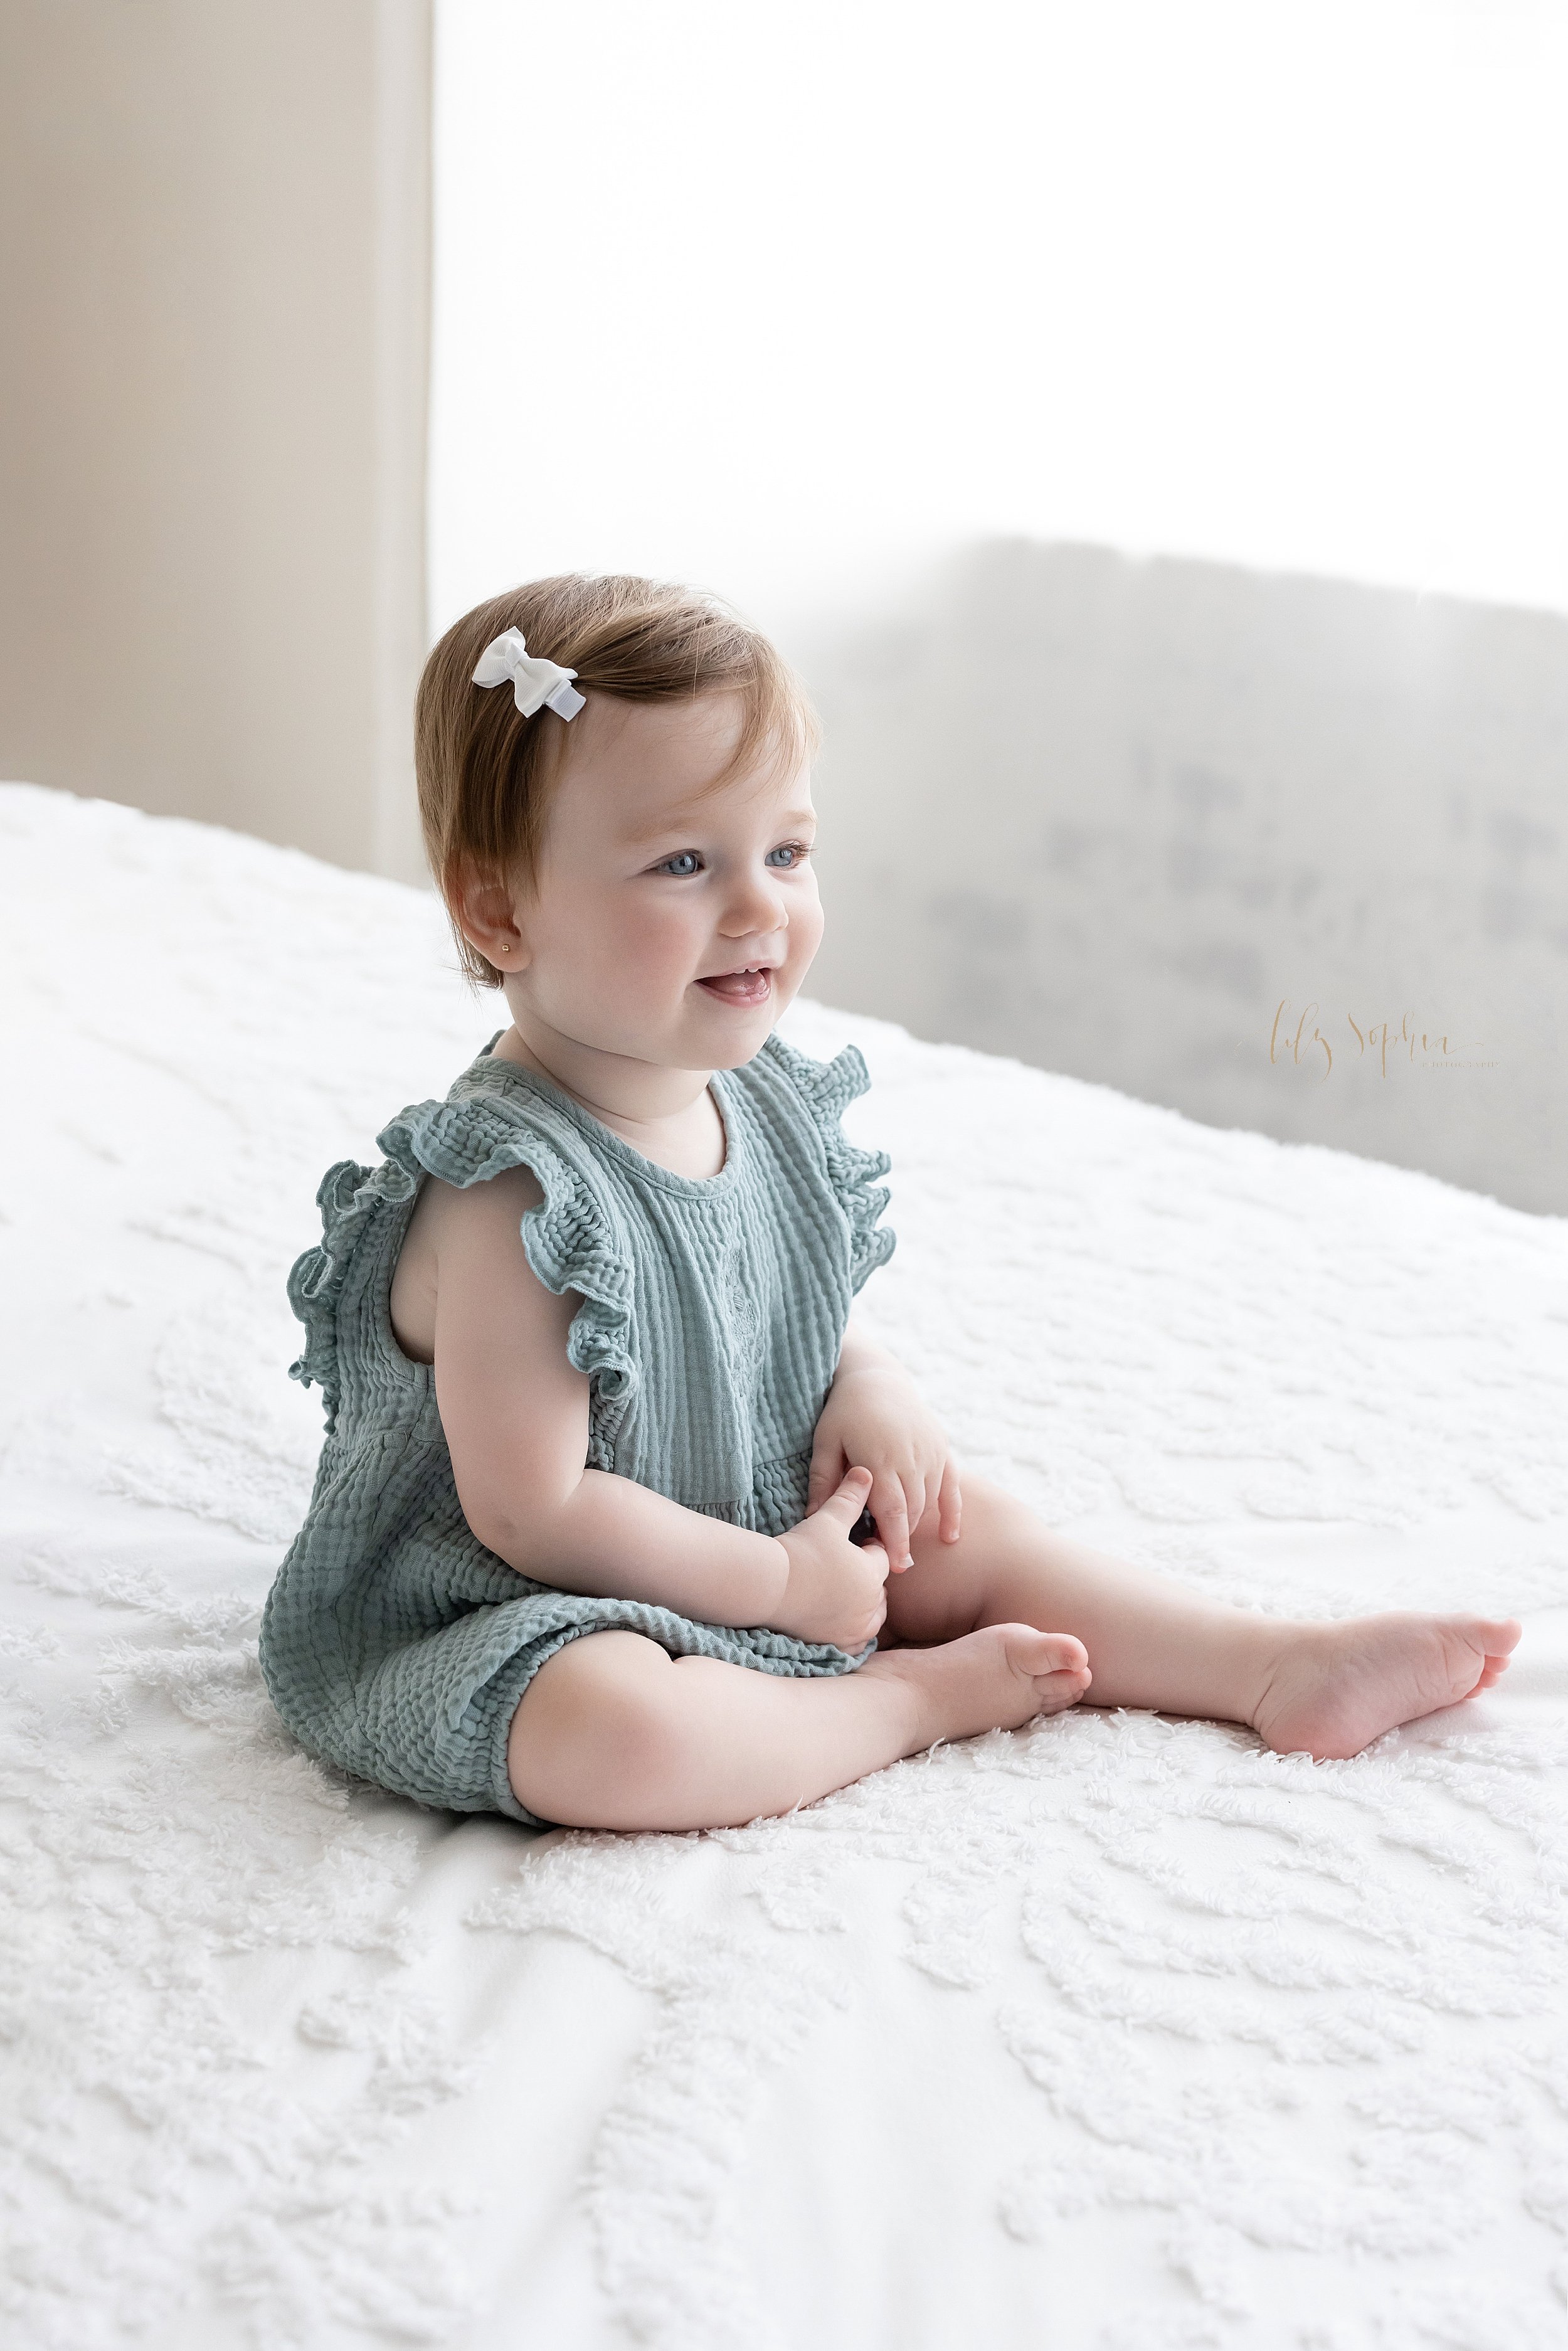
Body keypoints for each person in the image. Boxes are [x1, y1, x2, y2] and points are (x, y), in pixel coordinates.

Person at [258, 575, 1521, 1832]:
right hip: (516, 1599)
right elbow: (534, 1508)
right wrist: (778, 1579)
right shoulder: (510, 1192)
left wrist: (869, 1383)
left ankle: (1264, 1663)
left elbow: (766, 1307)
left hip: (738, 1532)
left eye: (787, 852)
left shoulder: (748, 1098)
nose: (759, 906)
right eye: (684, 861)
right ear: (499, 907)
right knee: (620, 1732)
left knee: (968, 1534)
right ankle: (904, 1705)